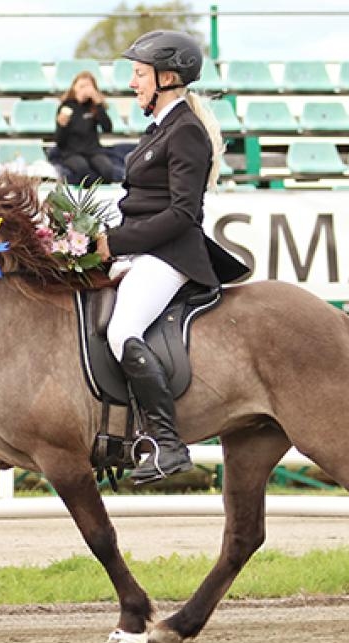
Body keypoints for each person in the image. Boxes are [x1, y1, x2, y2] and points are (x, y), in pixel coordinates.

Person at [94, 30, 250, 485]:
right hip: (144, 250)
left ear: (167, 77)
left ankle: (168, 444)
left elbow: (183, 213)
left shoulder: (185, 132)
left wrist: (116, 242)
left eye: (139, 75)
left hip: (171, 256)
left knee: (123, 329)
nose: (132, 84)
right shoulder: (159, 129)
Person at [54, 71, 119, 184]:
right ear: (74, 88)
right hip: (72, 152)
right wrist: (62, 126)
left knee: (107, 171)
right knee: (83, 170)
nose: (85, 90)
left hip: (93, 151)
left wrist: (98, 104)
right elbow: (60, 141)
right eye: (81, 86)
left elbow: (107, 128)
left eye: (88, 86)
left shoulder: (94, 107)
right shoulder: (66, 107)